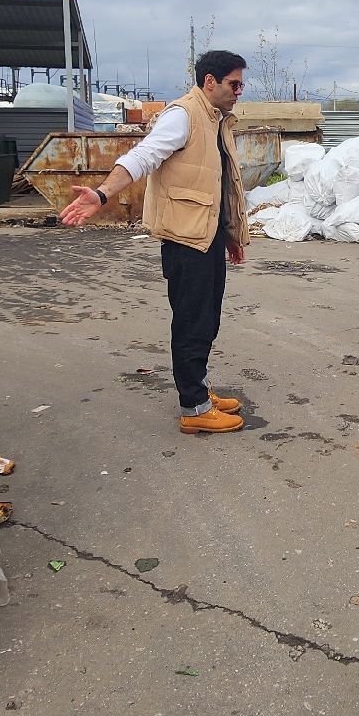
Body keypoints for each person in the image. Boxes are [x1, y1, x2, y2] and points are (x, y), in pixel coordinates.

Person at [60, 50, 251, 434]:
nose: (239, 92)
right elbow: (143, 156)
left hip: (207, 233)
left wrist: (228, 234)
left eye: (241, 84)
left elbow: (218, 182)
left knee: (207, 318)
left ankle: (198, 389)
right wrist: (101, 194)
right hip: (185, 238)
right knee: (192, 322)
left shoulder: (216, 119)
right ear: (209, 81)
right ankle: (194, 409)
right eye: (234, 84)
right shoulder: (182, 116)